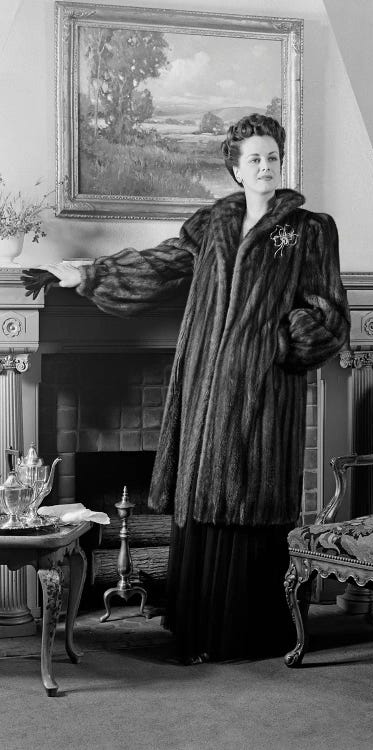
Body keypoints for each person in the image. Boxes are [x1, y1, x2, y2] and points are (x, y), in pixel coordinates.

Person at [22, 113, 350, 663]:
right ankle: (200, 632)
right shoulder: (211, 225)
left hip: (264, 392)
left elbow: (328, 312)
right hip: (203, 384)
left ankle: (251, 636)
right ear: (236, 168)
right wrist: (85, 274)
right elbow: (161, 266)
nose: (266, 166)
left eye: (272, 156)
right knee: (204, 498)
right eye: (254, 159)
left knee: (251, 495)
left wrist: (274, 343)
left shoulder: (310, 229)